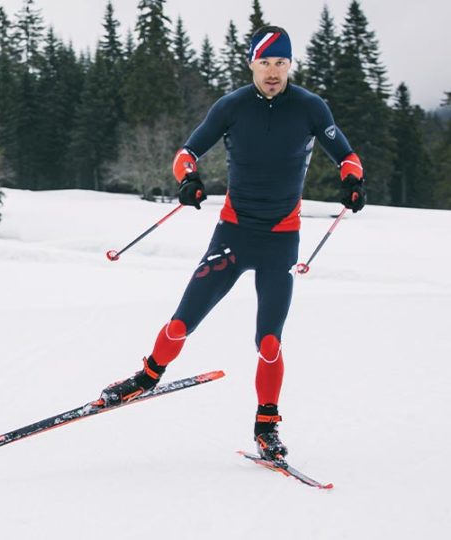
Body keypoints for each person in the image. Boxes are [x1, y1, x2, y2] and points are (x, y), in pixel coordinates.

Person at [99, 26, 366, 461]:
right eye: (265, 63)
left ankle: (267, 426)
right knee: (182, 322)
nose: (273, 72)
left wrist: (352, 182)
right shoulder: (231, 106)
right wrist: (188, 179)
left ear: (290, 65)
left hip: (281, 239)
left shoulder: (310, 107)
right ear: (251, 64)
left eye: (281, 63)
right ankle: (146, 378)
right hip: (234, 234)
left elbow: (347, 156)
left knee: (269, 343)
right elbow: (187, 153)